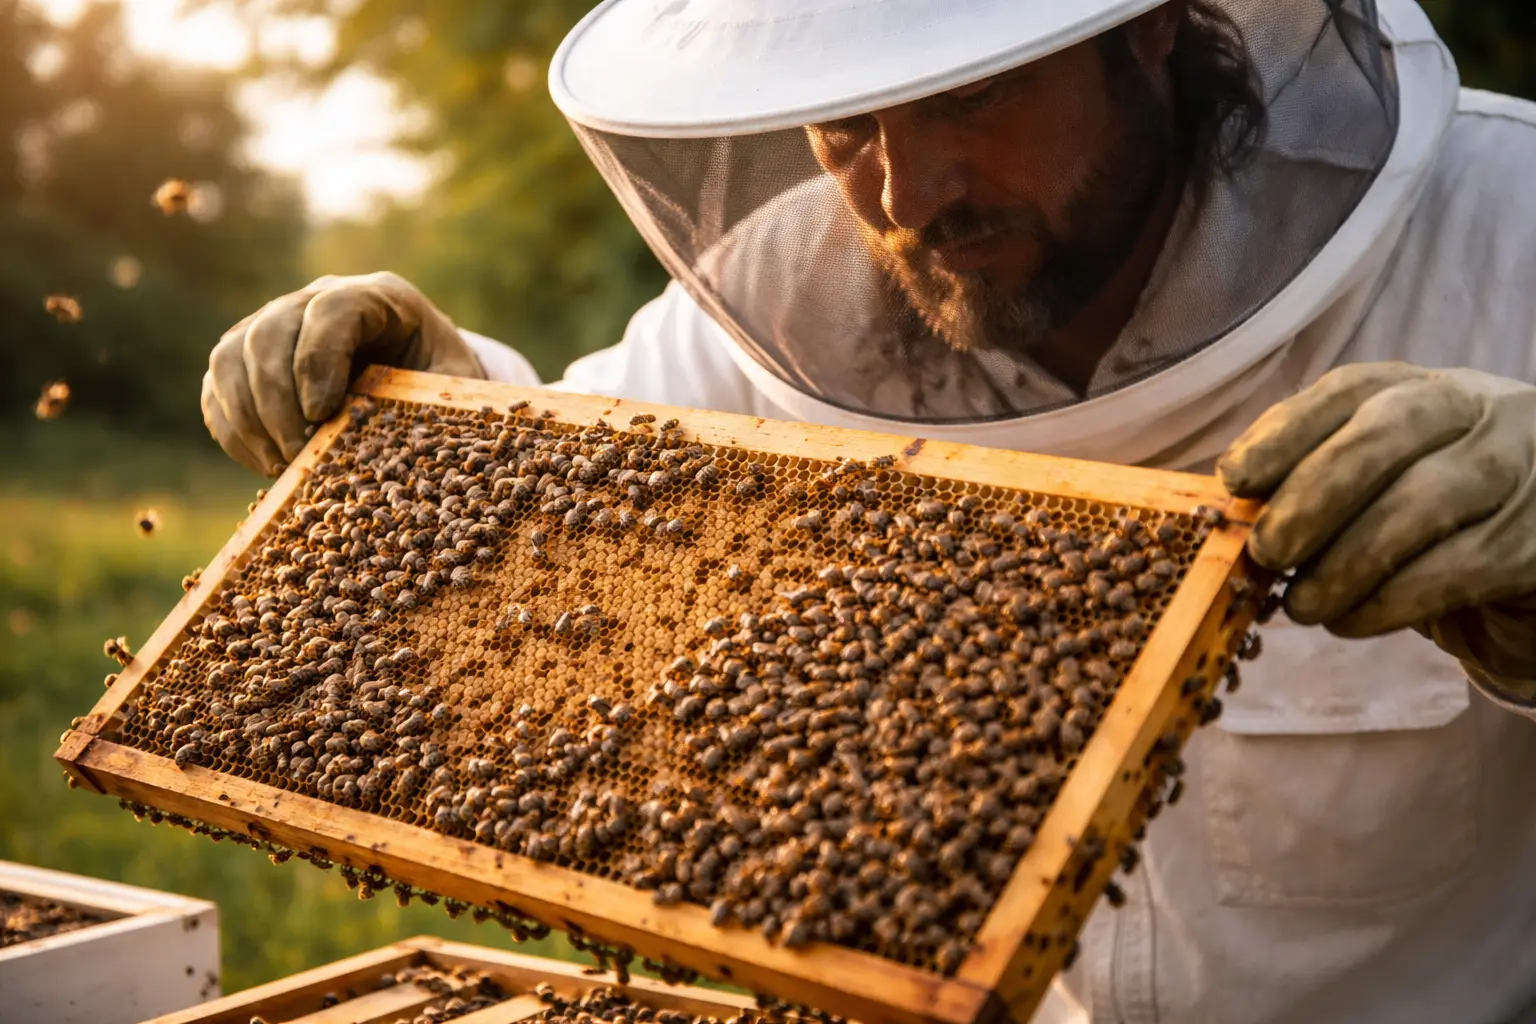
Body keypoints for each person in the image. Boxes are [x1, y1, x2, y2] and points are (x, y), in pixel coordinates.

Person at [199, 1, 1536, 1020]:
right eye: (846, 120)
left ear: (1145, 38)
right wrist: (440, 404)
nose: (905, 195)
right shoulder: (795, 288)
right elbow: (580, 522)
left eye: (970, 95)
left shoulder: (1507, 233)